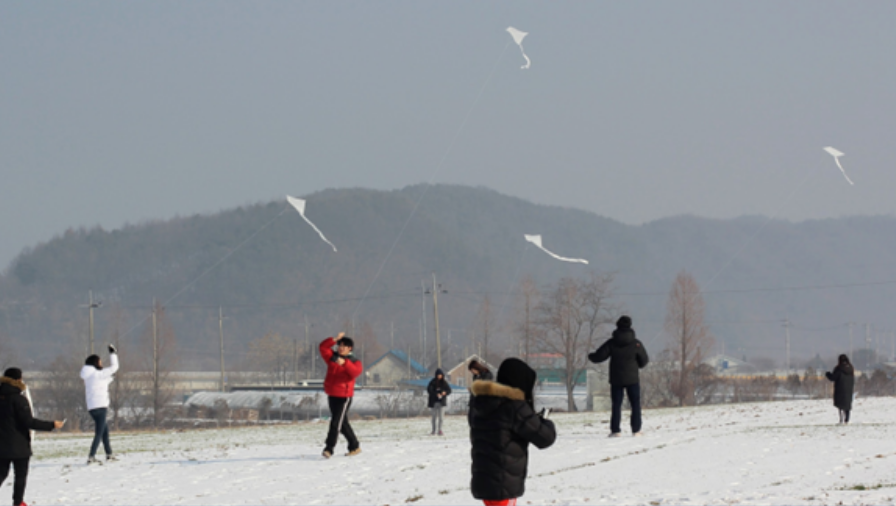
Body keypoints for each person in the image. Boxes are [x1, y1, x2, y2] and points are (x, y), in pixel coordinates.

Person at [469, 358, 556, 506]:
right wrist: (544, 421)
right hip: (503, 482)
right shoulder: (514, 407)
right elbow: (545, 438)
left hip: (485, 480)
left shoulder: (481, 403)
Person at [0, 367, 64, 506]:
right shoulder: (19, 399)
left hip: (1, 445)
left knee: (1, 473)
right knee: (20, 476)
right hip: (19, 445)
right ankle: (18, 503)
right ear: (18, 380)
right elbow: (28, 422)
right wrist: (51, 425)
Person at [588, 315, 649, 437]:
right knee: (635, 404)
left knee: (616, 404)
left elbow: (599, 356)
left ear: (618, 326)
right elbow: (644, 361)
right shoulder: (636, 344)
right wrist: (636, 365)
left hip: (616, 379)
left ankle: (616, 430)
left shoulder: (612, 343)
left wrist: (590, 356)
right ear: (630, 326)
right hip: (632, 379)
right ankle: (636, 430)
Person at [319, 332, 362, 458]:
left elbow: (355, 373)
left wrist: (344, 363)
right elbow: (322, 347)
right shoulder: (333, 357)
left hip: (344, 396)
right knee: (342, 424)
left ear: (350, 348)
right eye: (339, 345)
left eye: (344, 346)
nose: (341, 348)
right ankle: (354, 446)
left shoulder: (354, 361)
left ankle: (329, 448)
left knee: (335, 423)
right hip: (332, 394)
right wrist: (334, 339)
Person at [80, 344, 120, 464]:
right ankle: (91, 456)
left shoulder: (89, 376)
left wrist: (110, 378)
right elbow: (115, 367)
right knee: (99, 432)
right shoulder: (98, 374)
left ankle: (109, 454)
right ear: (95, 363)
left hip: (92, 407)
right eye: (100, 361)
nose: (102, 363)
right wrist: (113, 353)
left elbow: (101, 383)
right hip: (101, 407)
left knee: (104, 431)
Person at [825, 354, 855, 424]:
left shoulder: (839, 368)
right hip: (849, 389)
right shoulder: (851, 368)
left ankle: (841, 419)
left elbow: (833, 378)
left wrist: (828, 374)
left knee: (840, 405)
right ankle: (847, 420)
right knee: (847, 405)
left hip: (840, 389)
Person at [427, 369, 452, 436]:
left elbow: (449, 390)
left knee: (441, 417)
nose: (439, 376)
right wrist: (436, 394)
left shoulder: (444, 383)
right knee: (434, 417)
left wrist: (445, 393)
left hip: (442, 402)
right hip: (434, 402)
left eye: (440, 375)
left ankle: (440, 430)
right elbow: (429, 390)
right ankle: (433, 430)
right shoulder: (432, 382)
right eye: (438, 375)